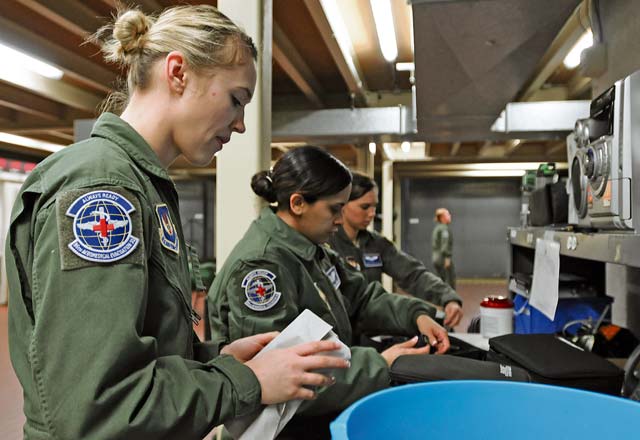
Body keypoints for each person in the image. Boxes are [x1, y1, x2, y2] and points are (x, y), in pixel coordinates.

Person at [4, 6, 347, 439]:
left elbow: (136, 354)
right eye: (236, 99)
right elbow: (100, 406)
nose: (241, 124)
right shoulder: (103, 188)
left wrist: (215, 360)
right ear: (178, 72)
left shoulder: (142, 185)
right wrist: (246, 382)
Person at [208, 146, 450, 438]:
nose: (340, 219)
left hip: (315, 413)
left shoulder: (309, 247)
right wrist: (380, 365)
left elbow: (360, 298)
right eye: (334, 209)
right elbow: (287, 372)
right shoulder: (263, 265)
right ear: (298, 203)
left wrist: (416, 316)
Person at [328, 173, 463, 328]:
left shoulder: (376, 244)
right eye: (365, 207)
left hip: (372, 328)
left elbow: (412, 274)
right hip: (339, 332)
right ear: (343, 205)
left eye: (374, 206)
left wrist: (447, 296)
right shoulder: (327, 245)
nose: (372, 213)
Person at [432, 207, 456, 289]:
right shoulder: (444, 229)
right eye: (448, 214)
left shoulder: (437, 228)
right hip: (443, 258)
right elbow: (444, 245)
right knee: (449, 281)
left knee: (441, 281)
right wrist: (447, 257)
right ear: (442, 217)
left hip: (436, 258)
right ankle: (450, 297)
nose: (450, 216)